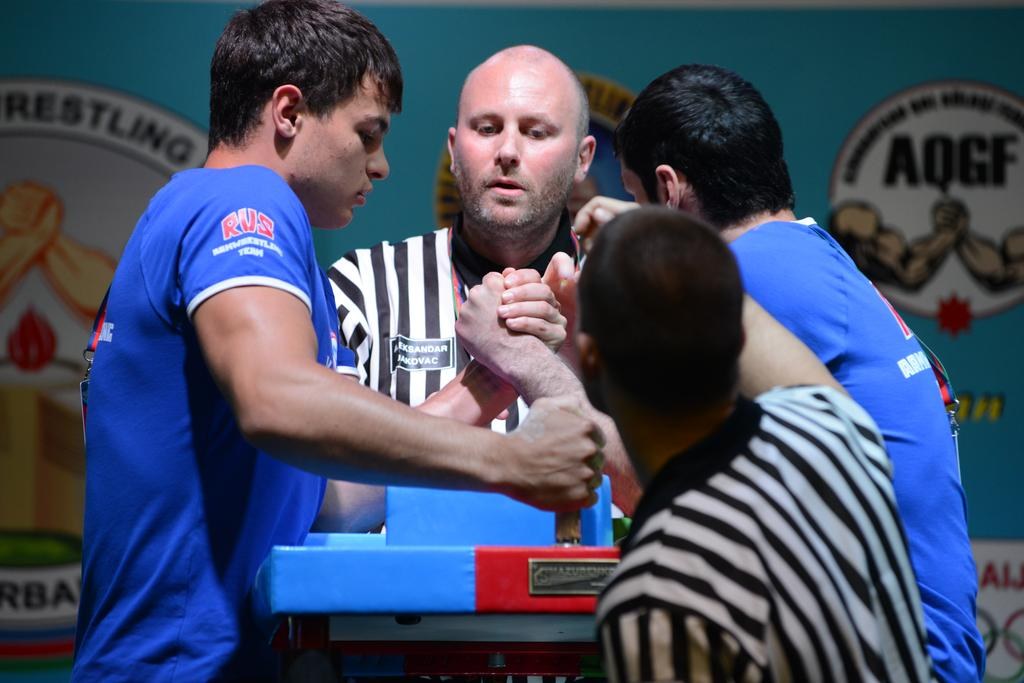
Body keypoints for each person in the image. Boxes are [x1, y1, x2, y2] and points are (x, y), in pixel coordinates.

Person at [72, 4, 604, 681]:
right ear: (289, 113)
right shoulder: (241, 202)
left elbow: (329, 497)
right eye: (368, 133)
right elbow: (276, 396)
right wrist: (512, 460)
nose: (380, 166)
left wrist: (491, 379)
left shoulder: (265, 246)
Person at [574, 64, 983, 682]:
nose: (631, 212)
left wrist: (537, 360)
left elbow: (656, 484)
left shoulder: (750, 278)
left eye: (633, 195)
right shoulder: (805, 251)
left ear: (668, 188)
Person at [582, 206, 934, 682]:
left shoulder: (655, 592)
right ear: (740, 338)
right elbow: (749, 326)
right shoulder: (832, 432)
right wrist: (673, 246)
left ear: (590, 358)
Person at [324, 45, 641, 529]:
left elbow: (678, 499)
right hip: (409, 579)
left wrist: (536, 366)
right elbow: (325, 505)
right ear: (454, 151)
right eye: (487, 128)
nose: (508, 152)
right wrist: (492, 376)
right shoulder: (361, 287)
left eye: (536, 132)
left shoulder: (640, 297)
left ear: (583, 159)